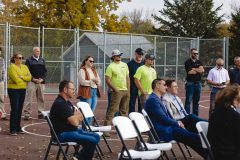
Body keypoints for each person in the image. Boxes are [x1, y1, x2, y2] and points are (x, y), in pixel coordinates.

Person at [144, 78, 206, 158]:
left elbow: (164, 117)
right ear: (157, 86)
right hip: (163, 131)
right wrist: (177, 123)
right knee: (192, 137)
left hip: (168, 127)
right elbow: (162, 118)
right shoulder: (153, 100)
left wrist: (177, 123)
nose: (166, 87)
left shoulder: (156, 99)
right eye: (164, 85)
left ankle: (207, 136)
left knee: (191, 126)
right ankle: (209, 154)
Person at [50, 80, 100, 160]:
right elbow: (75, 122)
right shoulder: (60, 103)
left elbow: (81, 116)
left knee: (96, 136)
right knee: (92, 141)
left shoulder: (67, 103)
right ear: (65, 90)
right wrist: (76, 117)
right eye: (72, 89)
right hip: (62, 134)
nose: (74, 91)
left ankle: (77, 158)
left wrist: (76, 117)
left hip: (72, 130)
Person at [207, 85, 240, 160]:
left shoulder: (215, 112)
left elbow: (209, 136)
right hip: (230, 155)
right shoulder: (235, 116)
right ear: (234, 99)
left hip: (215, 153)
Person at [104, 49, 130, 137]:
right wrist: (115, 89)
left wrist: (128, 90)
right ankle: (106, 130)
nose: (120, 56)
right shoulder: (110, 66)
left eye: (120, 55)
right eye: (118, 55)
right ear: (113, 57)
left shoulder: (125, 65)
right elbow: (107, 80)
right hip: (116, 91)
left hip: (125, 91)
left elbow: (127, 77)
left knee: (123, 110)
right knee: (112, 110)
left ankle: (121, 129)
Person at [8, 52, 31, 135]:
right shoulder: (12, 67)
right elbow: (15, 79)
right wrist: (23, 78)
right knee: (15, 109)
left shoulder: (25, 67)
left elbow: (29, 77)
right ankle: (12, 129)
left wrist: (21, 77)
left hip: (22, 89)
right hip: (13, 90)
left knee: (20, 108)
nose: (20, 59)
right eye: (18, 58)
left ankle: (18, 127)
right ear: (14, 59)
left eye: (21, 58)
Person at [23, 47, 47, 120]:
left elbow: (45, 71)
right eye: (37, 51)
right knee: (29, 98)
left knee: (41, 98)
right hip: (31, 82)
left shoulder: (42, 60)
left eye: (39, 51)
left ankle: (41, 113)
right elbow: (27, 71)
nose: (38, 52)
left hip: (41, 82)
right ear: (33, 52)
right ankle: (27, 114)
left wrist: (42, 79)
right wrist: (33, 79)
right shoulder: (28, 60)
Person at [77, 56, 101, 124]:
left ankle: (88, 127)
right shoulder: (82, 70)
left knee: (91, 112)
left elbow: (99, 81)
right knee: (86, 111)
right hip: (86, 91)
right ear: (86, 61)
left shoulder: (94, 70)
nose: (92, 62)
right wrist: (92, 81)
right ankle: (85, 128)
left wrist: (96, 81)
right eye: (90, 61)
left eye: (93, 61)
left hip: (94, 91)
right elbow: (82, 82)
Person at [184, 48, 204, 116]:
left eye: (197, 53)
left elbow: (202, 70)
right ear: (191, 54)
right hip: (190, 83)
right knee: (188, 101)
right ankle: (187, 116)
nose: (196, 55)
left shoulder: (199, 61)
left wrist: (193, 68)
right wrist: (198, 69)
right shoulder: (187, 62)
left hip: (198, 83)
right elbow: (190, 72)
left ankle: (195, 117)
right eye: (194, 53)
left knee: (196, 102)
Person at [127, 48, 144, 113]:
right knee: (131, 103)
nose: (140, 56)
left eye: (142, 54)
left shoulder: (144, 63)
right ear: (136, 54)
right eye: (139, 54)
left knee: (141, 104)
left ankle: (140, 118)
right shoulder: (130, 64)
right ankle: (132, 118)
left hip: (142, 86)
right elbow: (127, 76)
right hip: (133, 87)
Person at [0, 47, 7, 119]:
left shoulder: (2, 60)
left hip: (0, 82)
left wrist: (3, 80)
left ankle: (3, 113)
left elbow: (4, 71)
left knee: (1, 98)